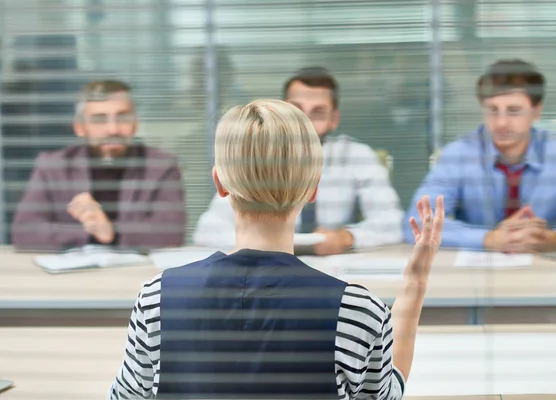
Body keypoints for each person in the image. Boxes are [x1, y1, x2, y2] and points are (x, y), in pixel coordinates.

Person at [108, 99, 445, 399]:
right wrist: (415, 283)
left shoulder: (157, 298)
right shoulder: (359, 311)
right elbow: (387, 392)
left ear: (220, 183)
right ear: (313, 188)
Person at [194, 67, 404, 255]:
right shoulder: (256, 154)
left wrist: (347, 238)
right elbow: (207, 230)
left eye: (318, 113)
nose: (304, 122)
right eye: (296, 110)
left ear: (334, 119)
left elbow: (392, 223)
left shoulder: (356, 156)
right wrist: (268, 239)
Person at [403, 59, 556, 253]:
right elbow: (416, 223)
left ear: (536, 112)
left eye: (513, 111)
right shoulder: (459, 154)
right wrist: (489, 238)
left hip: (543, 270)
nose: (501, 123)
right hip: (475, 274)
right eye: (492, 110)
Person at [12, 79, 186, 251]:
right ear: (80, 127)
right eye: (99, 119)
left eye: (123, 117)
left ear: (135, 123)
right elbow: (24, 232)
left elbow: (172, 232)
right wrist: (90, 232)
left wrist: (112, 231)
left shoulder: (161, 165)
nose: (113, 129)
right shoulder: (53, 166)